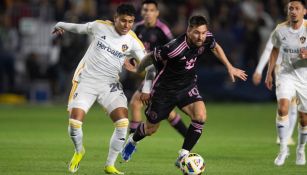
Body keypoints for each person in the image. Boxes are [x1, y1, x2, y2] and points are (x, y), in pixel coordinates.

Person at [121, 15, 247, 170]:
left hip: (187, 86)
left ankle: (183, 155)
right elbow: (150, 57)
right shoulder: (173, 49)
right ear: (188, 30)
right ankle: (132, 141)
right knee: (150, 129)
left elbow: (215, 47)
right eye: (196, 33)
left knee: (200, 116)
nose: (200, 37)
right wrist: (138, 69)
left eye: (203, 32)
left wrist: (229, 66)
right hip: (164, 91)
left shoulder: (206, 37)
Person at [52, 4, 146, 174]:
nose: (126, 25)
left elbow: (148, 65)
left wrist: (142, 75)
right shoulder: (100, 26)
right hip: (86, 81)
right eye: (123, 21)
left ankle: (110, 165)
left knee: (123, 123)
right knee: (74, 123)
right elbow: (78, 28)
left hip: (109, 84)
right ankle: (79, 151)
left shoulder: (133, 41)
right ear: (115, 18)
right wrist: (60, 24)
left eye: (130, 22)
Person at [128, 0, 187, 137]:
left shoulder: (163, 30)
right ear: (141, 12)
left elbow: (174, 52)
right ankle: (188, 135)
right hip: (148, 73)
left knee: (136, 102)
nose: (148, 13)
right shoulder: (137, 28)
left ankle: (131, 141)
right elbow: (130, 49)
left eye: (151, 10)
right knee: (166, 112)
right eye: (145, 10)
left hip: (160, 75)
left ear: (157, 13)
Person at [265, 0, 307, 166]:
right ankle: (283, 150)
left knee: (304, 119)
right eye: (291, 8)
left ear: (304, 11)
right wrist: (269, 73)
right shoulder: (280, 29)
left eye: (297, 8)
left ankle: (300, 150)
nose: (293, 11)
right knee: (283, 107)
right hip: (286, 74)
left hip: (304, 77)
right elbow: (275, 49)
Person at [253, 32, 297, 146]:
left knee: (294, 103)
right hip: (281, 69)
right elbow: (268, 51)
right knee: (286, 101)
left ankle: (287, 136)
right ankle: (284, 136)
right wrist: (259, 70)